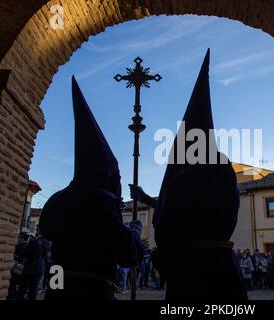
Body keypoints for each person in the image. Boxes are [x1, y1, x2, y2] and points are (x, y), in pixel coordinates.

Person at [132, 50, 247, 301]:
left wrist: (162, 258)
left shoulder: (184, 176)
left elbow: (168, 218)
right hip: (226, 271)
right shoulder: (224, 169)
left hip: (191, 272)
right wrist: (147, 199)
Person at [39, 77, 144, 300]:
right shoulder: (100, 201)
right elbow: (127, 253)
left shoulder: (58, 199)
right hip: (92, 293)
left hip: (57, 290)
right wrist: (135, 230)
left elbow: (46, 230)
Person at [17, 233, 47, 300]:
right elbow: (45, 256)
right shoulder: (46, 242)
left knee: (23, 288)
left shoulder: (33, 242)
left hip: (29, 268)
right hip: (40, 268)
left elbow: (24, 253)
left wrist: (20, 258)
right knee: (33, 289)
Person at [7, 233, 29, 300]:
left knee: (13, 281)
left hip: (17, 266)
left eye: (19, 238)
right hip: (24, 266)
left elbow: (15, 254)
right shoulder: (28, 246)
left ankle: (11, 295)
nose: (18, 239)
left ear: (22, 238)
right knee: (20, 282)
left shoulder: (19, 246)